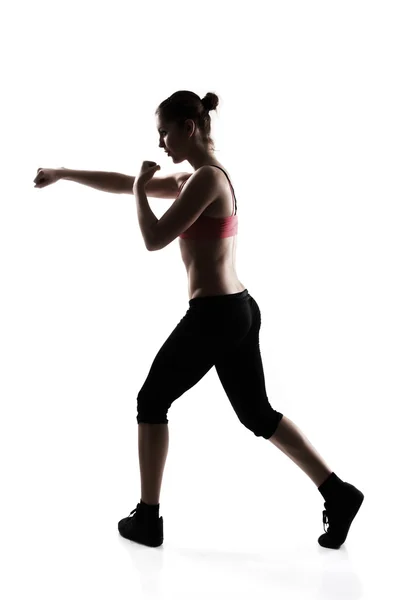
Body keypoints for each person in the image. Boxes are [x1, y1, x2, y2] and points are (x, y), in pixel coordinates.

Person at [34, 90, 364, 550]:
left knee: (151, 400)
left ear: (188, 128)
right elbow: (125, 179)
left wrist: (137, 192)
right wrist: (65, 174)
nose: (161, 143)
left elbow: (154, 238)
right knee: (257, 414)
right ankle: (339, 493)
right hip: (237, 309)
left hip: (216, 314)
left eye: (164, 132)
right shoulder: (202, 178)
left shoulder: (206, 181)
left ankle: (148, 520)